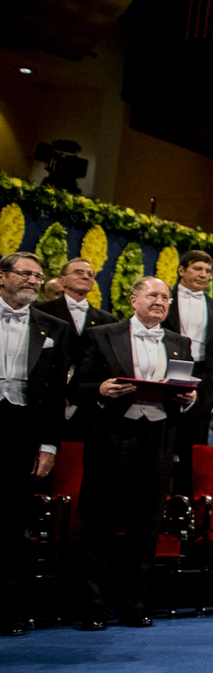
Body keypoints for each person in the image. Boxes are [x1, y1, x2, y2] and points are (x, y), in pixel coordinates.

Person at [75, 276, 194, 630]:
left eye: (166, 297)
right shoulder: (102, 334)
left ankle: (135, 604)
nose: (160, 301)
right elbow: (75, 387)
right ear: (133, 299)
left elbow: (184, 387)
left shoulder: (179, 342)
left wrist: (188, 399)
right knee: (101, 523)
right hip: (112, 435)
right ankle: (94, 607)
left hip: (157, 438)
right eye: (153, 295)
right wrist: (99, 388)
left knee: (146, 527)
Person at [0, 253, 70, 637]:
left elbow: (58, 391)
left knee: (13, 526)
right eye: (25, 273)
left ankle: (9, 612)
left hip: (23, 435)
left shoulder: (53, 327)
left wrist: (49, 446)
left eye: (38, 276)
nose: (32, 279)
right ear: (1, 277)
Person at [163, 250, 213, 486]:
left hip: (203, 377)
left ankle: (184, 506)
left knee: (194, 442)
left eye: (208, 271)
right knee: (162, 436)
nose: (203, 275)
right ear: (181, 270)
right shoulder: (163, 299)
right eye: (197, 269)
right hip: (165, 372)